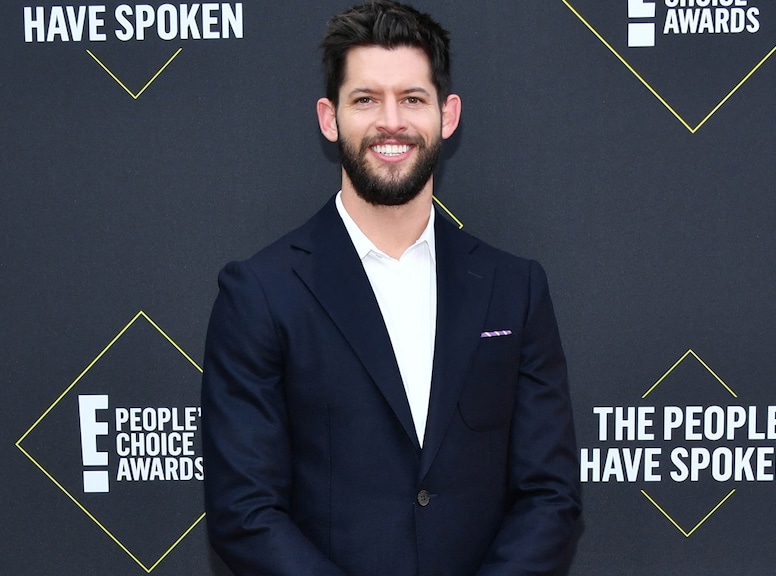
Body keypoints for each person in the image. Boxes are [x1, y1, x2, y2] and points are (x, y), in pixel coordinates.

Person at [201, 1, 582, 575]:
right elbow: (244, 512)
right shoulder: (260, 291)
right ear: (329, 119)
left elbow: (550, 496)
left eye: (411, 98)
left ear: (447, 115)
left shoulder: (514, 287)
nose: (391, 122)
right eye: (365, 99)